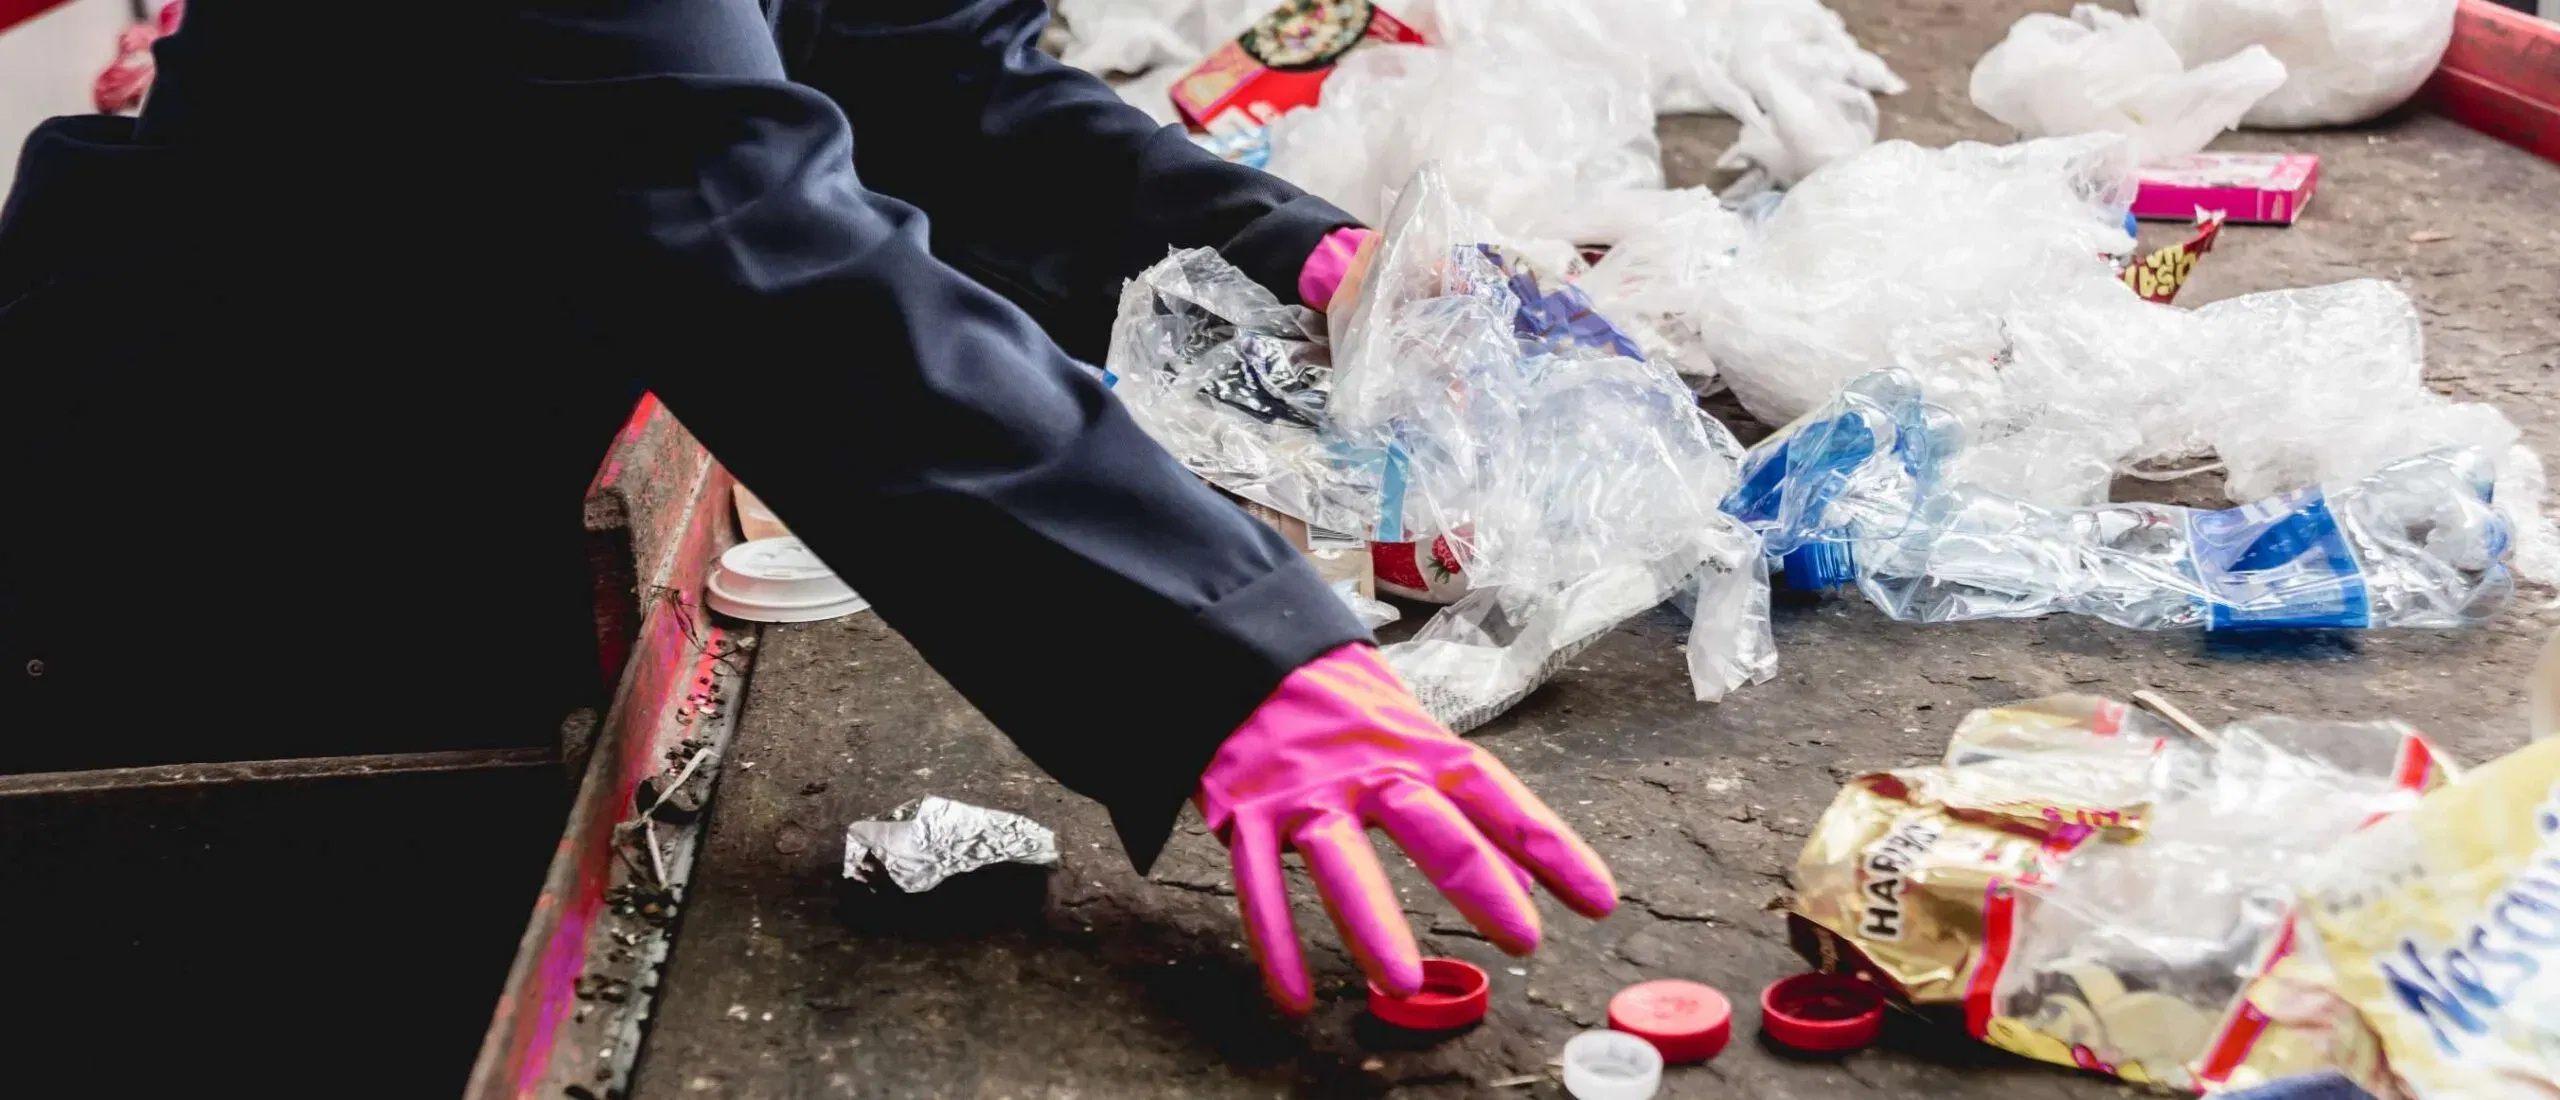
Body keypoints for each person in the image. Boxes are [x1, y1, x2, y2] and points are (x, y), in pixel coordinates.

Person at [0, 0, 1614, 1016]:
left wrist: (1293, 244)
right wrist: (1233, 647)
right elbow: (744, 225)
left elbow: (931, 67)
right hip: (224, 498)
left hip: (480, 409)